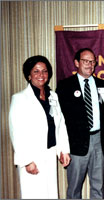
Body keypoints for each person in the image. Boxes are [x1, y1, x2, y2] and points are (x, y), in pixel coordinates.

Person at [56, 48, 104, 199]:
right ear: (77, 63)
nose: (90, 65)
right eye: (85, 61)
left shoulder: (103, 85)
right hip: (75, 144)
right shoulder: (65, 86)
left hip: (99, 141)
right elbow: (59, 119)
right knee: (74, 188)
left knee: (98, 186)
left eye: (92, 61)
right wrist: (62, 148)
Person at [9, 55, 71, 199]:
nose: (41, 75)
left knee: (50, 194)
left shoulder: (53, 97)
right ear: (29, 75)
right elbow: (16, 133)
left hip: (50, 154)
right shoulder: (19, 98)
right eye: (36, 71)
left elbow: (60, 125)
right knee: (33, 194)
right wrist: (26, 161)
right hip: (32, 157)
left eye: (44, 71)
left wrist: (64, 150)